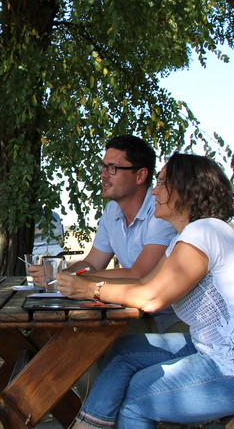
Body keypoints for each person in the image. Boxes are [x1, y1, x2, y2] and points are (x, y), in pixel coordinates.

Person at [57, 153, 234, 429]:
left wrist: (90, 290)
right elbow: (144, 285)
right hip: (216, 352)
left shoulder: (204, 233)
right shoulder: (187, 238)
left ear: (188, 190)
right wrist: (84, 284)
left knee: (137, 398)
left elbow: (152, 298)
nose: (154, 191)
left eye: (162, 183)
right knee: (123, 351)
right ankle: (90, 425)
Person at [31, 134, 181, 333]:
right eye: (103, 167)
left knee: (79, 337)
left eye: (113, 168)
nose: (103, 175)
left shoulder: (162, 211)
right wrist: (62, 275)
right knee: (64, 332)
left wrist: (78, 282)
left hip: (168, 320)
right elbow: (92, 263)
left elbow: (139, 274)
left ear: (140, 176)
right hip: (130, 311)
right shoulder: (112, 211)